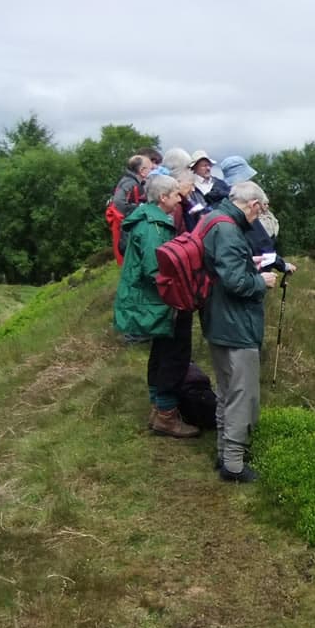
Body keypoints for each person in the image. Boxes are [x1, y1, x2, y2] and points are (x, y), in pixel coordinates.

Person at [201, 180, 279, 482]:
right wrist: (262, 281)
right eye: (260, 210)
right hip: (236, 324)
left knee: (225, 391)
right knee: (242, 395)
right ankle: (234, 464)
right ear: (253, 204)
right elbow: (235, 282)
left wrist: (249, 263)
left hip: (217, 319)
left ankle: (224, 453)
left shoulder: (214, 218)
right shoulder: (230, 231)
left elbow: (225, 268)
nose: (259, 217)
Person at [112, 174, 200, 439]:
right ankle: (166, 416)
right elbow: (156, 269)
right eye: (175, 194)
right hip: (160, 301)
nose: (179, 199)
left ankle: (158, 408)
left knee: (161, 352)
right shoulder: (153, 227)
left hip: (155, 301)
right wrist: (182, 293)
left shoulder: (151, 219)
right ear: (163, 197)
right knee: (174, 354)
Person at [107, 152, 154, 265]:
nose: (152, 171)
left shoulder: (126, 180)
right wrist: (139, 209)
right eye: (150, 169)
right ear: (142, 171)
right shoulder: (132, 184)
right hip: (125, 227)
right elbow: (120, 204)